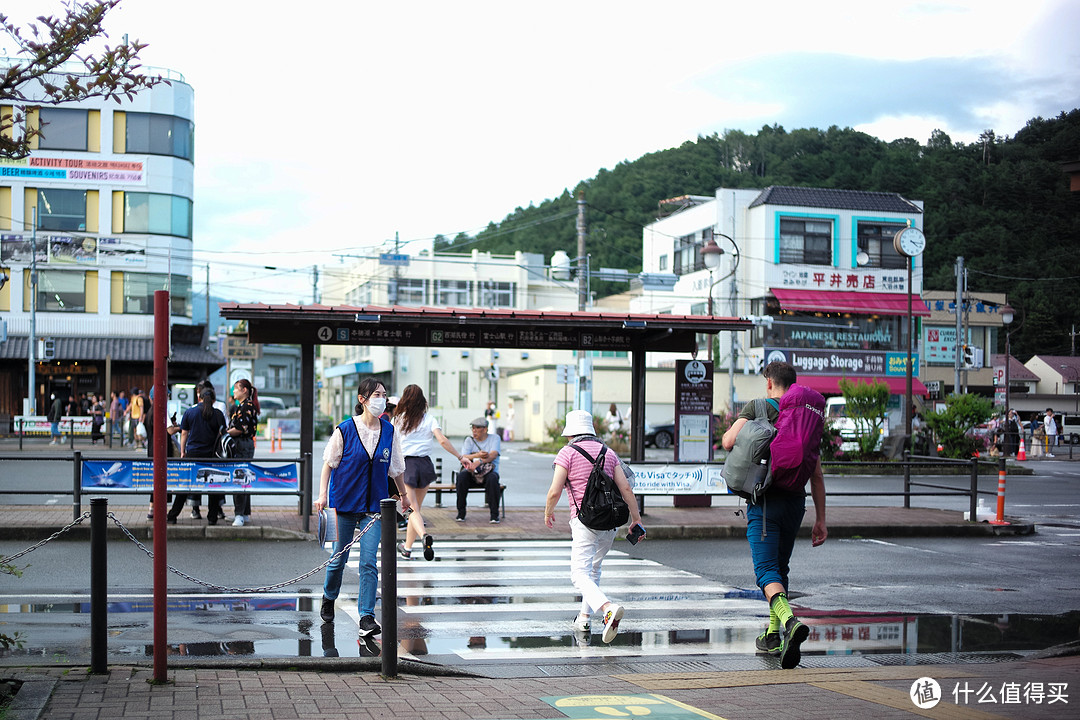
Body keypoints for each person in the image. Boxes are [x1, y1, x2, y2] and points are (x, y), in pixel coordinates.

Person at [721, 361, 826, 669]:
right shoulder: (805, 416)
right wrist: (821, 519)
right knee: (780, 569)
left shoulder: (758, 406)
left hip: (765, 503)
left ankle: (790, 623)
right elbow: (817, 475)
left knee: (766, 572)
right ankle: (772, 635)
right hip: (796, 502)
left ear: (769, 382)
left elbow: (728, 441)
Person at [314, 377, 410, 642]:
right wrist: (322, 494)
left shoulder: (389, 431)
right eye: (376, 394)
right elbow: (328, 463)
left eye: (384, 394)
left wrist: (404, 496)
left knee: (369, 562)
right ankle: (328, 596)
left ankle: (366, 616)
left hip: (374, 507)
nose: (381, 398)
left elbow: (396, 468)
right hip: (345, 503)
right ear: (362, 400)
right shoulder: (344, 430)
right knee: (338, 560)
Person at [544, 409, 644, 645]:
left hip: (584, 521)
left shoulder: (567, 453)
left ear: (571, 434)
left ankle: (607, 608)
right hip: (609, 523)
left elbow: (555, 490)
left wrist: (548, 512)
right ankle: (584, 617)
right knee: (593, 570)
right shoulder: (608, 453)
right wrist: (636, 519)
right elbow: (626, 489)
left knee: (579, 574)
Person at [391, 384, 463, 561]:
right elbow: (442, 440)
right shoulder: (429, 419)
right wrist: (460, 456)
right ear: (422, 401)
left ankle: (424, 536)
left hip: (406, 465)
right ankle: (407, 548)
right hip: (425, 465)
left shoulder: (397, 420)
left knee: (412, 510)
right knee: (416, 510)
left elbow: (390, 445)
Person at [178, 387, 228, 524]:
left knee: (185, 485)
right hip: (212, 455)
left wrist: (183, 451)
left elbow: (184, 433)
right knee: (213, 487)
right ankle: (212, 518)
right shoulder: (218, 414)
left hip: (193, 454)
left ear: (198, 398)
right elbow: (223, 433)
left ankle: (173, 515)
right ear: (213, 399)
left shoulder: (190, 412)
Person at [456, 416, 502, 524]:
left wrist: (478, 461)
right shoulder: (469, 440)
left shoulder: (495, 438)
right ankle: (461, 513)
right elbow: (463, 456)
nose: (474, 431)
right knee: (461, 477)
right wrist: (479, 455)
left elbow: (493, 455)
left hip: (488, 473)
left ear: (485, 429)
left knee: (493, 479)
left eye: (477, 428)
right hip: (471, 473)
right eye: (472, 428)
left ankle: (494, 515)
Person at [227, 378, 260, 526]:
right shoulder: (245, 405)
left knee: (239, 478)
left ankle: (239, 515)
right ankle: (244, 513)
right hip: (245, 444)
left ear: (244, 390)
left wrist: (226, 433)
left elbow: (240, 429)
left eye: (236, 388)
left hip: (242, 444)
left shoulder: (246, 406)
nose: (233, 391)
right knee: (244, 478)